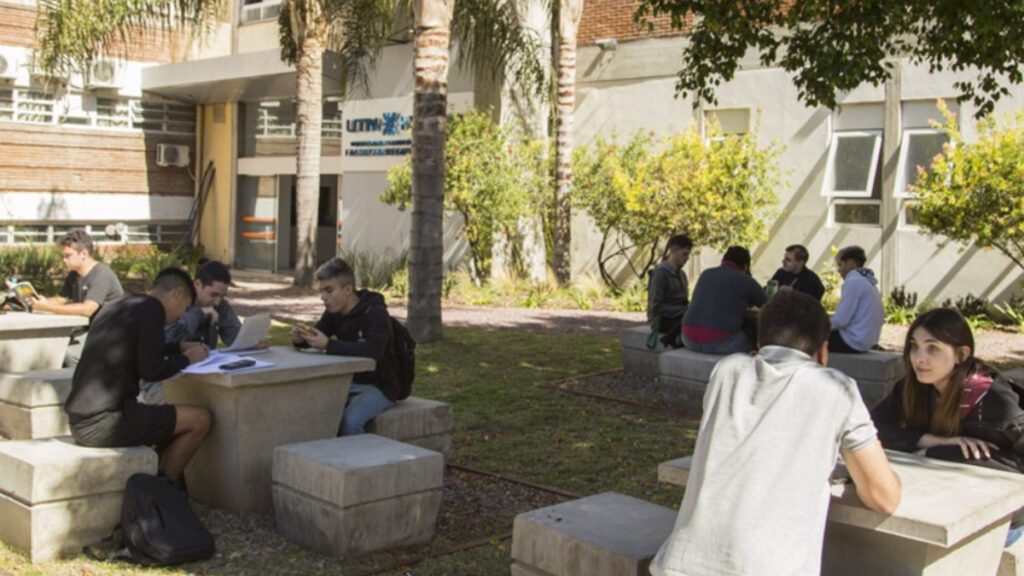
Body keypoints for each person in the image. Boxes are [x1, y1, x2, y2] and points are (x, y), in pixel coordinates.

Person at [651, 291, 901, 576]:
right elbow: (884, 497)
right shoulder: (836, 388)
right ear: (823, 351)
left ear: (758, 344)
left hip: (680, 566)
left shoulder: (726, 371)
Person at [871, 307, 1024, 546]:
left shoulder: (993, 401)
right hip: (946, 500)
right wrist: (931, 440)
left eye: (933, 348)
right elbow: (869, 430)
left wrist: (940, 453)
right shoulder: (915, 386)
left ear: (961, 355)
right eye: (914, 346)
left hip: (1001, 520)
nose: (919, 358)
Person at [63, 267, 212, 486]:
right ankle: (160, 493)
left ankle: (158, 478)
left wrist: (179, 347)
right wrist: (188, 359)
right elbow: (152, 371)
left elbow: (141, 351)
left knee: (171, 418)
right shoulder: (152, 310)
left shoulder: (123, 304)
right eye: (185, 308)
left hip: (81, 419)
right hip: (105, 421)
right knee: (200, 419)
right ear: (177, 293)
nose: (181, 316)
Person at [291, 257, 400, 436]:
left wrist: (328, 345)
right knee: (308, 404)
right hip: (349, 380)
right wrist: (301, 339)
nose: (323, 297)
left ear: (348, 289)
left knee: (350, 421)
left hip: (381, 386)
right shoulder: (334, 311)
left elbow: (374, 351)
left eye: (329, 290)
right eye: (321, 291)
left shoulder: (374, 312)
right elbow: (319, 334)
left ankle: (357, 462)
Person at [31, 229, 124, 365]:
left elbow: (88, 309)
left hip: (108, 334)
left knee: (69, 354)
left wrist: (47, 307)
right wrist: (38, 302)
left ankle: (77, 385)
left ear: (83, 254)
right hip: (85, 330)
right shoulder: (74, 275)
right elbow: (59, 299)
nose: (64, 260)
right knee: (48, 347)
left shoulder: (101, 275)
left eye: (68, 255)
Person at [680, 246, 767, 354]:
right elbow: (767, 304)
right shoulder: (746, 280)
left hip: (688, 339)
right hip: (718, 343)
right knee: (753, 333)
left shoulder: (706, 274)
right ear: (745, 266)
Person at [829, 245, 885, 353]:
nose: (839, 270)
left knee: (805, 337)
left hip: (852, 342)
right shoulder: (868, 282)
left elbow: (841, 320)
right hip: (866, 341)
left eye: (840, 265)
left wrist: (819, 325)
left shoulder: (853, 282)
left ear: (850, 264)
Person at [647, 235, 692, 347]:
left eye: (688, 254)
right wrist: (683, 310)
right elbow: (656, 307)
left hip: (679, 316)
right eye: (684, 254)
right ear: (673, 250)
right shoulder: (661, 274)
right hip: (662, 320)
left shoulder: (682, 275)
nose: (687, 258)